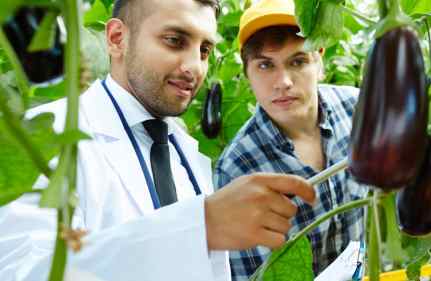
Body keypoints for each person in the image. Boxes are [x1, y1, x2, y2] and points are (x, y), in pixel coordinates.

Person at [0, 0, 317, 280]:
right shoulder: (37, 138)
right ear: (117, 39)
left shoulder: (185, 151)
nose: (194, 67)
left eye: (204, 50)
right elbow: (24, 271)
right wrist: (200, 226)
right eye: (174, 40)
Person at [214, 0, 368, 279]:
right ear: (247, 75)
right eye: (265, 65)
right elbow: (254, 275)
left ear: (319, 63)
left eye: (297, 61)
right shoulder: (237, 167)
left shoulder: (358, 110)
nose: (283, 81)